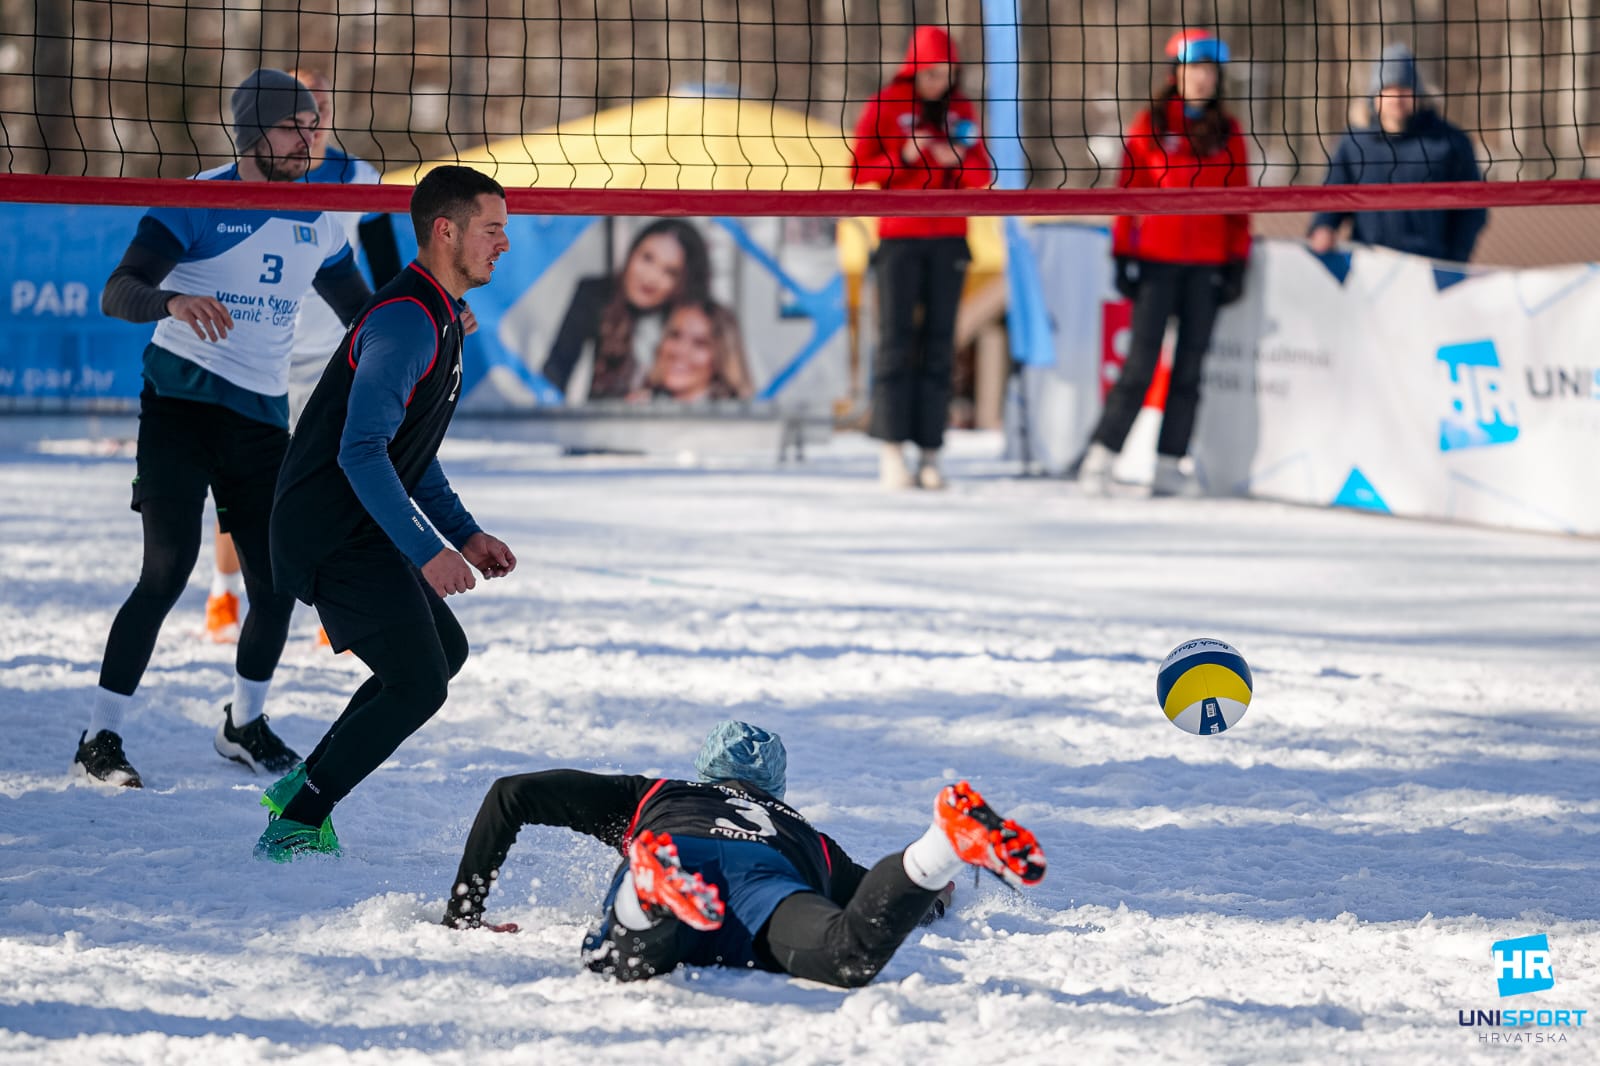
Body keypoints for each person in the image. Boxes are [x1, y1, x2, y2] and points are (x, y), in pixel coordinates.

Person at [75, 69, 374, 789]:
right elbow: (119, 290)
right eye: (292, 126)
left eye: (314, 126)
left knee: (276, 585)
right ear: (251, 133)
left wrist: (437, 312)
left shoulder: (321, 219)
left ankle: (243, 724)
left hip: (261, 419)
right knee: (166, 571)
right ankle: (100, 738)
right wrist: (171, 302)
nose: (308, 139)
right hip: (179, 406)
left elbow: (363, 311)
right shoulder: (198, 199)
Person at [256, 164, 518, 861]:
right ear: (446, 231)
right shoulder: (406, 320)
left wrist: (465, 533)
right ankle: (298, 820)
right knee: (418, 683)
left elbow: (410, 451)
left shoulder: (441, 316)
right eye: (492, 229)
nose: (504, 244)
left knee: (443, 656)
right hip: (329, 530)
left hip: (360, 523)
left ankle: (303, 786)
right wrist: (430, 552)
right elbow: (363, 452)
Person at [439, 720, 1045, 989]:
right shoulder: (806, 833)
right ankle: (939, 846)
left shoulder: (656, 793)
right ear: (775, 787)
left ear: (707, 768)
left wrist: (464, 914)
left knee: (624, 962)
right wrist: (938, 887)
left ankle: (650, 892)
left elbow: (512, 793)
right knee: (847, 956)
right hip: (771, 877)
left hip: (677, 847)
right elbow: (885, 905)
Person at [204, 67, 406, 647]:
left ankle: (333, 603)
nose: (311, 121)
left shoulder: (359, 176)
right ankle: (223, 591)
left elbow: (389, 271)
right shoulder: (246, 173)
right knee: (245, 488)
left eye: (320, 107)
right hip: (254, 354)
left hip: (331, 358)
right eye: (298, 110)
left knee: (339, 482)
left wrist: (433, 313)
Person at [1077, 29, 1251, 498]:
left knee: (1190, 370)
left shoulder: (1230, 132)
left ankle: (1170, 464)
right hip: (1155, 262)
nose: (1202, 79)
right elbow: (1127, 195)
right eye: (1194, 69)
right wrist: (1122, 252)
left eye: (1209, 71)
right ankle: (1101, 457)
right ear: (1176, 74)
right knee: (1140, 366)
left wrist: (1237, 260)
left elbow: (1241, 204)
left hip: (1207, 265)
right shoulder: (1149, 124)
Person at [850, 25, 992, 491]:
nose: (940, 82)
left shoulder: (961, 109)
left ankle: (931, 451)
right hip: (899, 239)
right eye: (932, 73)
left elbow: (982, 175)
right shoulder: (886, 104)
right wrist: (903, 156)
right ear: (913, 70)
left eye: (948, 73)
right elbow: (858, 169)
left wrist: (958, 160)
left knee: (940, 345)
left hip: (950, 239)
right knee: (894, 344)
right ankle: (891, 448)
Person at [1308, 43, 1488, 264]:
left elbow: (1473, 208)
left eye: (1404, 88)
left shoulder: (1448, 142)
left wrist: (1454, 259)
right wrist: (1323, 227)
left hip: (1430, 265)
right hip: (1368, 264)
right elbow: (1332, 197)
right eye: (1388, 89)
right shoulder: (1354, 143)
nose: (1396, 97)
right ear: (1375, 95)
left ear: (1417, 94)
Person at [542, 219, 718, 402]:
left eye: (670, 272)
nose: (651, 277)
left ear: (684, 282)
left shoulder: (692, 319)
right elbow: (555, 371)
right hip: (604, 415)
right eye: (647, 258)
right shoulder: (597, 295)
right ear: (632, 253)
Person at [632, 299, 753, 403]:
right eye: (675, 335)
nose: (680, 350)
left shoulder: (736, 417)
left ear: (723, 357)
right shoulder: (638, 406)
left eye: (699, 344)